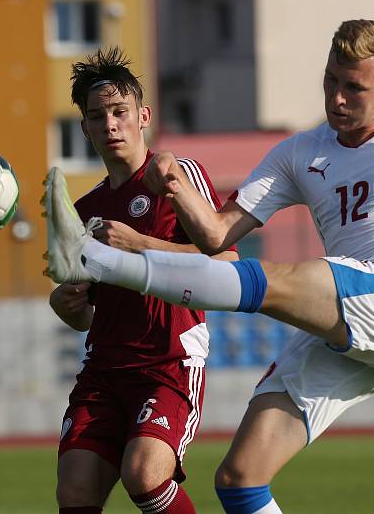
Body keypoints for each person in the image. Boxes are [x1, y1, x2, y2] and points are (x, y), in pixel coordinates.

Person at [43, 20, 374, 513]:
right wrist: (177, 188)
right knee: (239, 480)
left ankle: (97, 259)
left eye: (354, 87)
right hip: (347, 331)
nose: (337, 97)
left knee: (281, 278)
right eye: (331, 80)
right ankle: (102, 261)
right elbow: (215, 235)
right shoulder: (297, 153)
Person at [49, 47, 238, 514]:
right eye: (98, 116)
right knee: (73, 490)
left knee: (146, 475)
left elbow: (229, 260)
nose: (110, 124)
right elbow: (87, 311)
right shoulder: (84, 212)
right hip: (105, 369)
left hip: (168, 361)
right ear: (85, 128)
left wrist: (142, 245)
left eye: (120, 112)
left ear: (143, 115)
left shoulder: (177, 176)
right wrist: (67, 304)